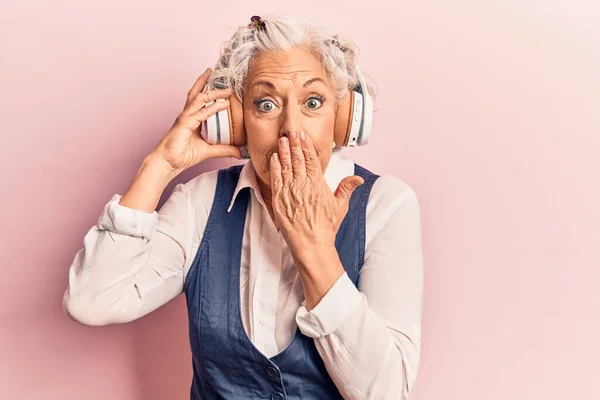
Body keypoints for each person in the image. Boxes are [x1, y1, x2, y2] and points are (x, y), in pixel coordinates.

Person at [63, 15, 424, 400]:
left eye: (313, 102)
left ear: (343, 118)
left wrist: (314, 250)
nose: (291, 128)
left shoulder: (387, 205)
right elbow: (91, 301)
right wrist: (160, 166)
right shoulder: (201, 202)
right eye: (265, 104)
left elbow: (386, 393)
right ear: (235, 122)